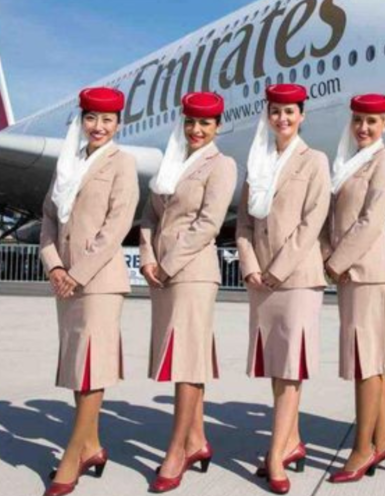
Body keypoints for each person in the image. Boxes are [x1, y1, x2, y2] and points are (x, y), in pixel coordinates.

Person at [39, 87, 139, 496]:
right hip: (66, 281)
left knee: (91, 367)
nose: (98, 127)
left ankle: (73, 455)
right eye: (92, 119)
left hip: (98, 282)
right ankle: (93, 446)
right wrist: (56, 266)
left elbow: (116, 227)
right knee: (79, 370)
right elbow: (47, 219)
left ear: (118, 124)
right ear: (81, 121)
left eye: (107, 120)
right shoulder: (67, 165)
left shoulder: (123, 164)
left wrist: (77, 273)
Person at [138, 92, 237, 492]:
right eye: (191, 123)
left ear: (217, 127)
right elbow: (148, 216)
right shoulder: (170, 165)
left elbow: (209, 223)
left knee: (186, 361)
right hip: (161, 272)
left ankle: (176, 449)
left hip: (192, 272)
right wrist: (147, 258)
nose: (197, 130)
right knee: (183, 355)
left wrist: (167, 263)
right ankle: (196, 441)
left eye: (205, 124)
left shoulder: (222, 165)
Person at [236, 83, 331, 495]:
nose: (283, 119)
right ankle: (290, 442)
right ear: (267, 116)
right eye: (276, 111)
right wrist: (252, 267)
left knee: (291, 368)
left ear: (302, 115)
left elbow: (313, 221)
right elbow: (242, 224)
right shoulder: (256, 161)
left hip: (297, 278)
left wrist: (278, 268)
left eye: (290, 112)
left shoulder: (315, 161)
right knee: (277, 367)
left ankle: (274, 455)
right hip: (262, 282)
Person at [322, 94, 385, 483]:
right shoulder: (349, 163)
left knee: (366, 364)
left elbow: (373, 220)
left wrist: (335, 263)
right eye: (358, 120)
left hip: (368, 271)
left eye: (372, 121)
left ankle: (362, 449)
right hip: (354, 273)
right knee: (372, 363)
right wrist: (327, 252)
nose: (363, 128)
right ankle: (383, 439)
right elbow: (333, 218)